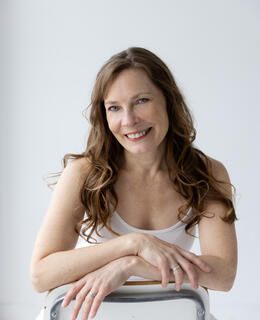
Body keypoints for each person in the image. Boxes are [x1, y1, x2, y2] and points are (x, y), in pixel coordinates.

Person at [30, 47, 238, 320]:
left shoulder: (206, 172)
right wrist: (132, 244)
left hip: (166, 311)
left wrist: (133, 265)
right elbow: (40, 274)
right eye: (114, 108)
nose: (128, 120)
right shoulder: (84, 172)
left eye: (141, 101)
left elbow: (223, 275)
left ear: (168, 100)